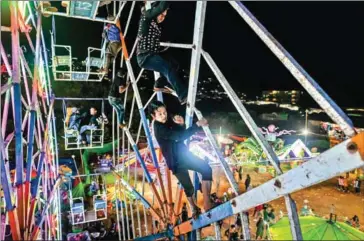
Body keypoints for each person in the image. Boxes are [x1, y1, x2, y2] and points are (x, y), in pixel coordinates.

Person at [149, 101, 213, 217]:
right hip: (175, 162)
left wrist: (181, 124)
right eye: (160, 114)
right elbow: (179, 137)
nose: (164, 116)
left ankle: (207, 202)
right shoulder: (159, 129)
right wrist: (197, 125)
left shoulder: (167, 120)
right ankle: (193, 208)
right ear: (153, 116)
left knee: (206, 169)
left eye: (164, 112)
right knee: (189, 188)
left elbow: (180, 133)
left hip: (184, 155)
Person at [137, 1, 188, 105]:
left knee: (174, 65)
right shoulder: (146, 18)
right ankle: (183, 95)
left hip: (152, 54)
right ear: (155, 12)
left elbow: (151, 42)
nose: (162, 18)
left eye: (164, 16)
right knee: (167, 68)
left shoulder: (156, 26)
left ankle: (159, 84)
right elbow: (161, 7)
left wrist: (162, 49)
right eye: (161, 14)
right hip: (145, 57)